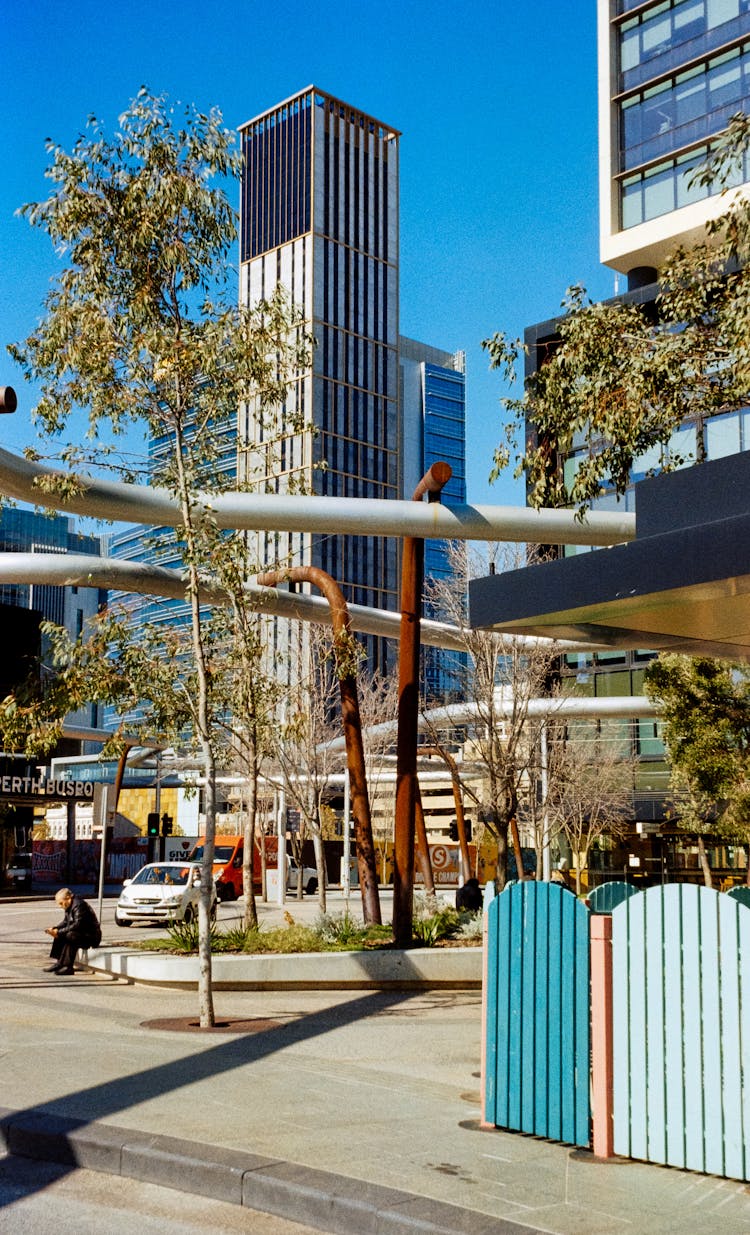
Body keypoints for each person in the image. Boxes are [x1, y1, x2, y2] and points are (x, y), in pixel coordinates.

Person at [43, 888, 101, 975]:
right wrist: (55, 929)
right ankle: (59, 963)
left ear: (68, 898)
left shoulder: (79, 905)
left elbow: (78, 924)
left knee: (70, 935)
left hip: (91, 936)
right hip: (82, 933)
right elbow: (66, 922)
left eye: (61, 903)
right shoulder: (70, 906)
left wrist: (59, 932)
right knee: (59, 933)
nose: (61, 906)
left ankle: (68, 967)